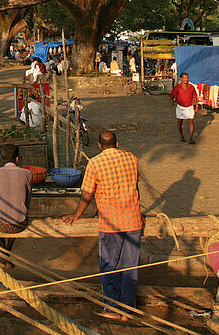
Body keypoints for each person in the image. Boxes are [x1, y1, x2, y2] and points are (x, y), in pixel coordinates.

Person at [62, 131, 143, 322]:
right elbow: (135, 186)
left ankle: (113, 307)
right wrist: (139, 211)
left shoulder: (95, 163)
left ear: (99, 146)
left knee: (109, 266)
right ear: (117, 143)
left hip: (111, 223)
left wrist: (76, 214)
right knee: (130, 267)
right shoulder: (131, 157)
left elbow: (87, 193)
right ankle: (128, 309)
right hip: (133, 221)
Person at [0, 144, 33, 269]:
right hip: (19, 224)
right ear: (17, 159)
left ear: (2, 159)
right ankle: (7, 254)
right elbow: (27, 203)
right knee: (17, 213)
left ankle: (4, 255)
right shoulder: (27, 174)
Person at [170, 72, 198, 144]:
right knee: (180, 122)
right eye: (185, 78)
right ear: (181, 79)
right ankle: (182, 137)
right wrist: (172, 101)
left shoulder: (191, 87)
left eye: (187, 78)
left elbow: (195, 97)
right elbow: (172, 94)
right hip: (180, 107)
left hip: (189, 106)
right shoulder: (177, 87)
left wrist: (196, 106)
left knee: (191, 121)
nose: (186, 79)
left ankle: (191, 138)